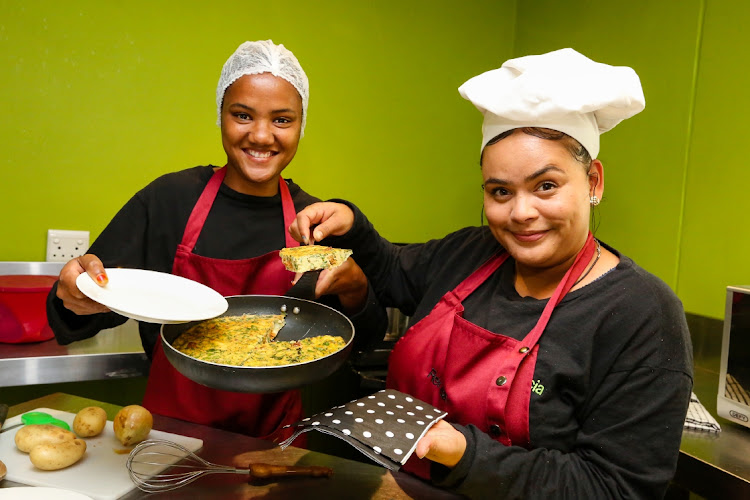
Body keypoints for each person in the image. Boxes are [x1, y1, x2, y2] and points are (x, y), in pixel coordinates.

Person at [289, 48, 693, 498]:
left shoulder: (640, 314)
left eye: (546, 186)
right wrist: (351, 220)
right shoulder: (472, 252)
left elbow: (616, 489)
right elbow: (391, 273)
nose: (521, 213)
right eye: (500, 191)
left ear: (594, 182)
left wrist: (463, 452)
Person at [47, 40, 386, 441]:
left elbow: (362, 341)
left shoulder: (315, 220)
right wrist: (74, 292)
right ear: (221, 116)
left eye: (282, 120)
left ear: (301, 125)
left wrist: (358, 289)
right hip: (168, 440)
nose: (261, 136)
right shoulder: (169, 200)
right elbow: (81, 314)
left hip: (274, 444)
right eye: (243, 115)